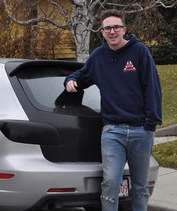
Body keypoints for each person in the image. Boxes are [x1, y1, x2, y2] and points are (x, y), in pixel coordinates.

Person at [64, 9, 162, 211]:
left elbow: (152, 88)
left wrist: (150, 125)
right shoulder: (99, 56)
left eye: (116, 27)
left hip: (140, 131)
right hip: (112, 132)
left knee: (140, 187)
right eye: (107, 28)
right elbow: (81, 75)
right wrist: (71, 80)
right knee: (110, 184)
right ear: (102, 31)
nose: (112, 31)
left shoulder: (139, 51)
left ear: (124, 29)